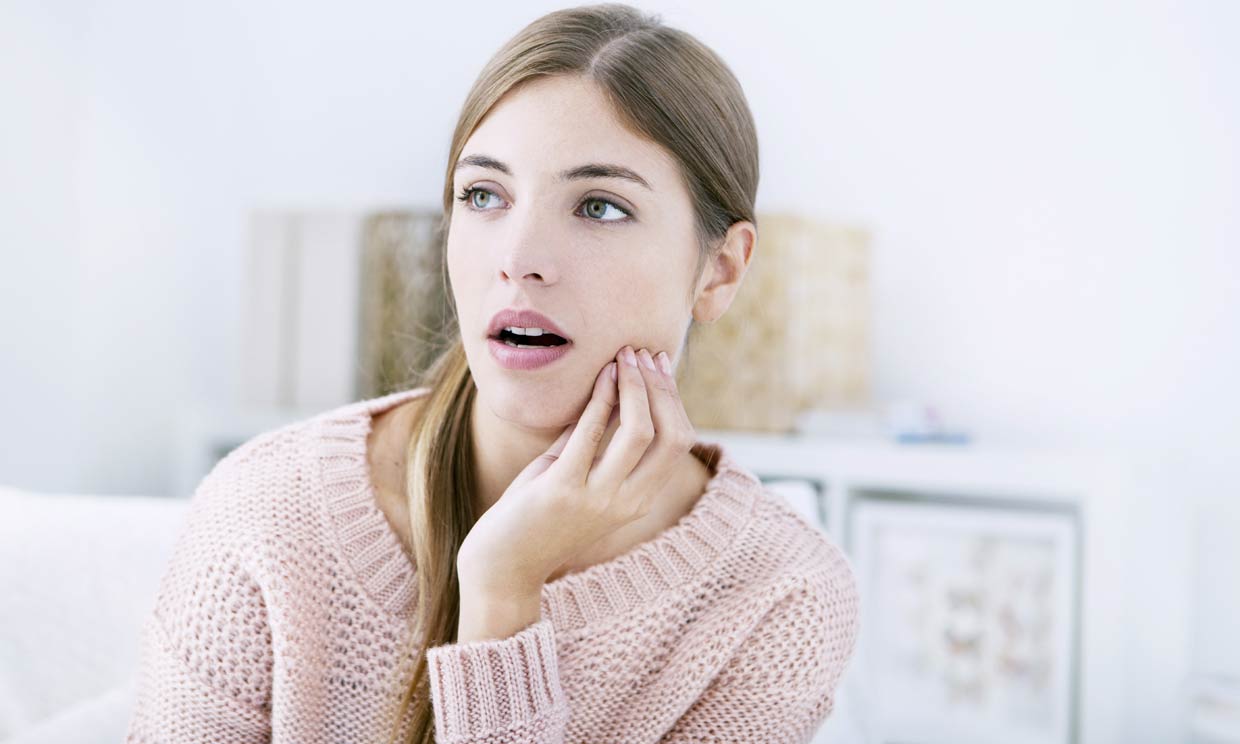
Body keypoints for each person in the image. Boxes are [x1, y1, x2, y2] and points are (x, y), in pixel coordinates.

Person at [124, 4, 860, 743]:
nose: (519, 255)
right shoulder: (267, 512)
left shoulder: (777, 597)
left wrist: (504, 595)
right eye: (485, 195)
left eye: (599, 206)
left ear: (720, 270)